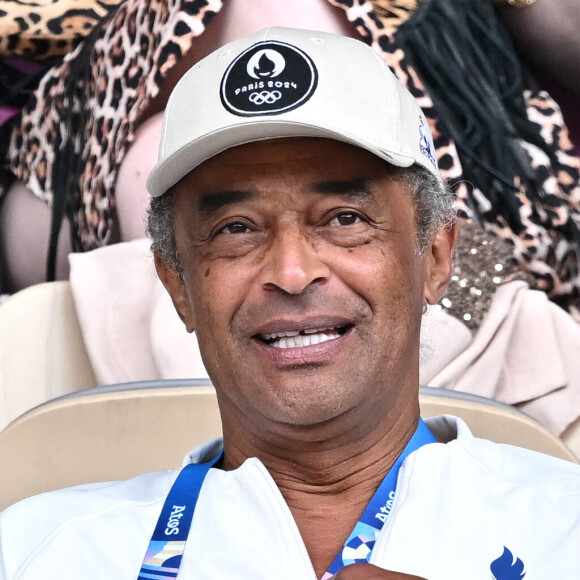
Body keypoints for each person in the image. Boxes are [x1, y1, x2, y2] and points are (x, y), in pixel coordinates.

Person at [1, 27, 580, 579]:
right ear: (179, 285)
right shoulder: (38, 549)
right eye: (235, 228)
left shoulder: (563, 529)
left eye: (345, 219)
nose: (293, 272)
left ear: (434, 258)